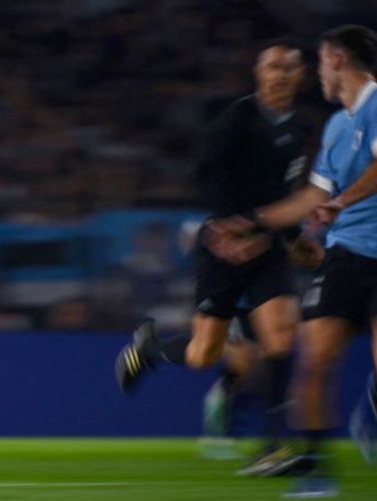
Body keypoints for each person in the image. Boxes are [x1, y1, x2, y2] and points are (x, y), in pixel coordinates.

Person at [115, 40, 311, 475]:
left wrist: (294, 237)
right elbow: (206, 175)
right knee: (206, 353)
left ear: (300, 76)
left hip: (268, 248)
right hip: (222, 247)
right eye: (272, 67)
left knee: (281, 337)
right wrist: (224, 227)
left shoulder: (298, 129)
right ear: (258, 73)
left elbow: (287, 193)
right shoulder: (237, 119)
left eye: (288, 68)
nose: (279, 74)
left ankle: (274, 447)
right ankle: (149, 350)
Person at [206, 24, 377, 497]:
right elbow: (311, 196)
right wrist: (249, 221)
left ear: (338, 60)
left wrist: (341, 203)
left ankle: (376, 403)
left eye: (320, 62)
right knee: (313, 359)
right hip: (346, 253)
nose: (316, 74)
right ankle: (316, 468)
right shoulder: (336, 125)